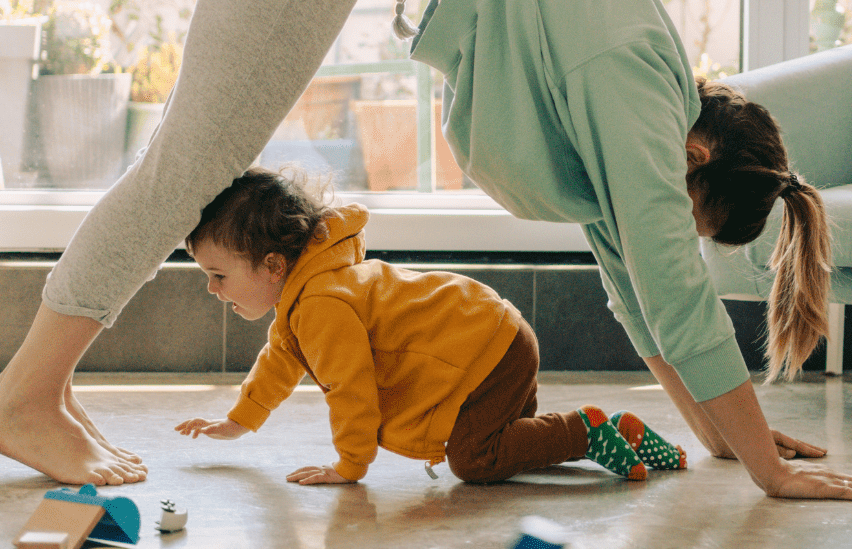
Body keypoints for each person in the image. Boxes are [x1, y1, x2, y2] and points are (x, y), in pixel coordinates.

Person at [0, 0, 852, 503]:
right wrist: (770, 473)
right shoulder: (632, 82)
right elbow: (668, 282)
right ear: (696, 155)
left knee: (192, 145)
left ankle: (43, 390)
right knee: (197, 154)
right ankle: (23, 393)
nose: (659, 209)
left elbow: (629, 279)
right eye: (685, 209)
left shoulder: (634, 76)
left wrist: (720, 433)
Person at [170, 169, 684, 484]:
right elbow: (278, 363)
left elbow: (350, 388)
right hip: (493, 341)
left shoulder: (322, 304)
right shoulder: (305, 299)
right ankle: (624, 436)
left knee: (475, 460)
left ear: (275, 265)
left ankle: (587, 430)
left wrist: (350, 465)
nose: (213, 289)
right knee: (511, 447)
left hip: (485, 354)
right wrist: (238, 421)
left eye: (218, 275)